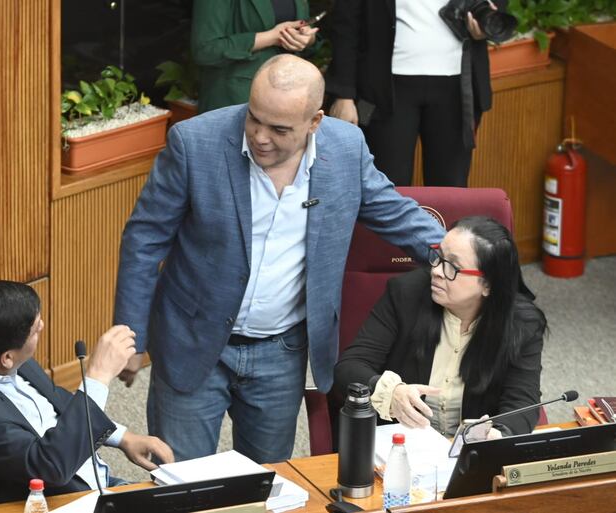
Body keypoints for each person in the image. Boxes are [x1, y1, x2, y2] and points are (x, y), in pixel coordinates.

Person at [113, 54, 446, 464]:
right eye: (254, 118)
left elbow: (395, 213)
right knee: (180, 480)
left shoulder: (346, 149)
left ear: (315, 122)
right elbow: (145, 239)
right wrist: (130, 335)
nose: (260, 136)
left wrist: (458, 258)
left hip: (281, 350)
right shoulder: (194, 143)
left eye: (279, 128)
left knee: (265, 481)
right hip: (193, 339)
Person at [0, 281, 173, 509]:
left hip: (88, 478)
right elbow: (50, 467)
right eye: (35, 329)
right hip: (61, 500)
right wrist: (98, 376)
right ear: (7, 358)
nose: (40, 325)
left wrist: (123, 437)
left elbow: (53, 399)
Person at [334, 216, 547, 439]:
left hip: (467, 451)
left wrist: (497, 433)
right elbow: (350, 367)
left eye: (452, 266)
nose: (436, 270)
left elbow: (523, 402)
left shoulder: (522, 323)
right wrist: (392, 391)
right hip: (399, 443)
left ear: (488, 284)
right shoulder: (406, 294)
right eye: (438, 256)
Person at [326, 0, 506, 186]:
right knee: (387, 187)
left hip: (458, 88)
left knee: (451, 187)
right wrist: (344, 95)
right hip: (382, 89)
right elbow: (345, 24)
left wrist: (487, 21)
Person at [191, 0, 319, 113]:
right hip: (235, 101)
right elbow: (205, 50)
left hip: (285, 98)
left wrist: (307, 37)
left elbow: (304, 26)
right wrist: (272, 37)